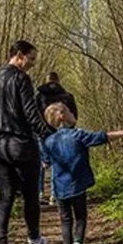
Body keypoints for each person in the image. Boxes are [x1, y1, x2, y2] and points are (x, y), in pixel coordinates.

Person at [0, 40, 54, 244]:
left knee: (5, 196)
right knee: (30, 194)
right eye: (31, 59)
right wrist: (50, 134)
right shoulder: (21, 78)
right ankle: (34, 240)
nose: (32, 64)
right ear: (19, 56)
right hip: (20, 144)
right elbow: (31, 114)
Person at [41, 102, 123, 244]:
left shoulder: (48, 141)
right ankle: (78, 241)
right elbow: (101, 137)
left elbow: (46, 163)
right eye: (70, 111)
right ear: (63, 116)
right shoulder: (78, 135)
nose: (73, 113)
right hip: (78, 184)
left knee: (65, 221)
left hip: (60, 188)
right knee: (81, 217)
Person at [35, 72, 78, 205]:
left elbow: (34, 115)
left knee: (41, 164)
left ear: (46, 81)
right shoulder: (67, 96)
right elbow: (74, 115)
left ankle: (39, 193)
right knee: (58, 163)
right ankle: (55, 195)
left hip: (42, 134)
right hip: (62, 134)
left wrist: (39, 131)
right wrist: (68, 130)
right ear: (58, 81)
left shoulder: (39, 96)